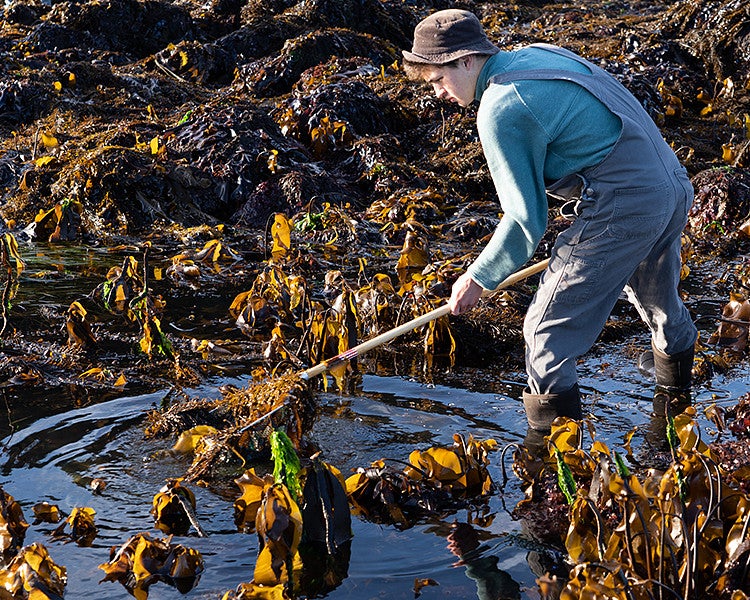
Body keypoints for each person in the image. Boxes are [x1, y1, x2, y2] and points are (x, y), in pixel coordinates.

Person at [402, 9, 697, 431]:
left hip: (627, 203)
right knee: (658, 299)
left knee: (544, 333)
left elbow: (525, 219)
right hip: (671, 185)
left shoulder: (501, 108)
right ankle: (678, 408)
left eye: (438, 80)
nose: (438, 93)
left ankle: (555, 464)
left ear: (466, 60)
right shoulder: (538, 54)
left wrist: (479, 277)